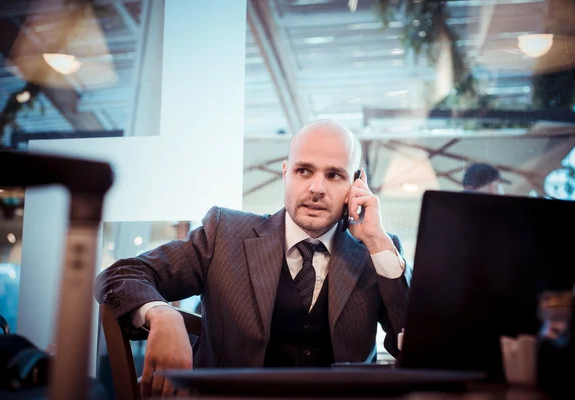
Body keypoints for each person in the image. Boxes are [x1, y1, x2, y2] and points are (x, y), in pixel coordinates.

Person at [94, 119, 412, 397]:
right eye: (304, 171)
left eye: (334, 175)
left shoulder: (376, 251)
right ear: (286, 173)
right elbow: (120, 277)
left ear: (356, 183)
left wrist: (376, 239)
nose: (317, 188)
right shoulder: (225, 233)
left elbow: (419, 346)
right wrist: (163, 314)